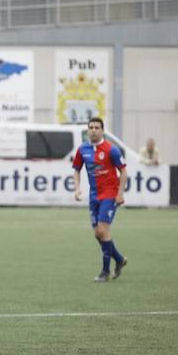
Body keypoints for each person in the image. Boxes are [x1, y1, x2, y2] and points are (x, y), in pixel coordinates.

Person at [72, 116, 129, 283]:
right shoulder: (83, 149)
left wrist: (120, 193)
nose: (94, 130)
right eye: (91, 127)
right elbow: (76, 169)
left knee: (103, 231)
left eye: (97, 127)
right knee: (98, 234)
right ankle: (118, 259)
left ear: (102, 130)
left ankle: (105, 271)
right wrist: (77, 188)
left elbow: (123, 171)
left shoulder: (112, 150)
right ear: (88, 130)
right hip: (94, 196)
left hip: (110, 195)